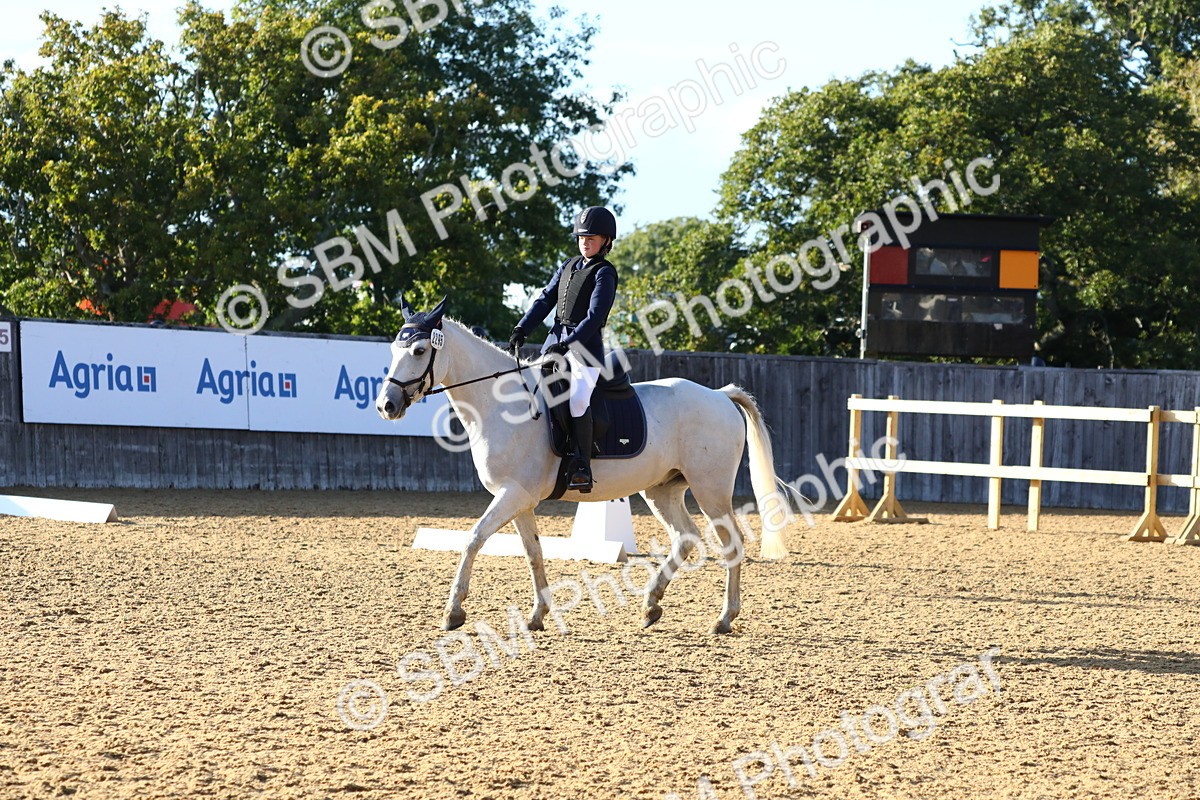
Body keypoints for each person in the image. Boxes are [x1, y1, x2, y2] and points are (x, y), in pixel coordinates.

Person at [508, 206, 619, 493]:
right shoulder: (568, 266)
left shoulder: (604, 272)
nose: (585, 241)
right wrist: (522, 327)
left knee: (578, 400)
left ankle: (582, 464)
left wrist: (566, 345)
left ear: (606, 240)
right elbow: (545, 300)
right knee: (533, 390)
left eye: (592, 237)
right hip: (554, 340)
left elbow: (595, 317)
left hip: (584, 349)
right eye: (582, 237)